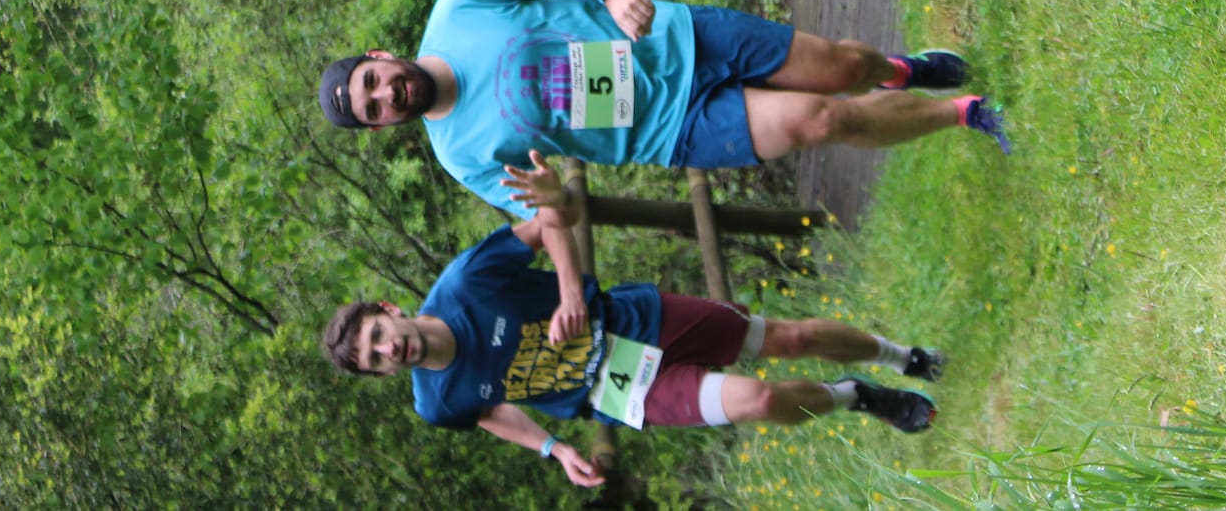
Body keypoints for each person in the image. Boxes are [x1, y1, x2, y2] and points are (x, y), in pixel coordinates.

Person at [320, 153, 943, 488]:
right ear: (381, 374)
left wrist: (568, 290)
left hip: (637, 319)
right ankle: (855, 397)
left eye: (378, 336)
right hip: (616, 388)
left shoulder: (464, 283)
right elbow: (484, 413)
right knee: (757, 400)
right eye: (375, 361)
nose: (387, 351)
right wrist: (553, 448)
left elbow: (552, 219)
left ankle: (898, 356)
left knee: (785, 337)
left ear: (389, 311)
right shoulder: (436, 400)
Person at [318, 0, 1010, 228]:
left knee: (841, 67)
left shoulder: (454, 14)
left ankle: (901, 69)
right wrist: (555, 198)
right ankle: (965, 112)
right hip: (669, 128)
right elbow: (555, 216)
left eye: (372, 80)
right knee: (824, 120)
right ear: (382, 125)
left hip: (679, 36)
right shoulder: (459, 153)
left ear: (380, 55)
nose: (385, 93)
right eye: (372, 107)